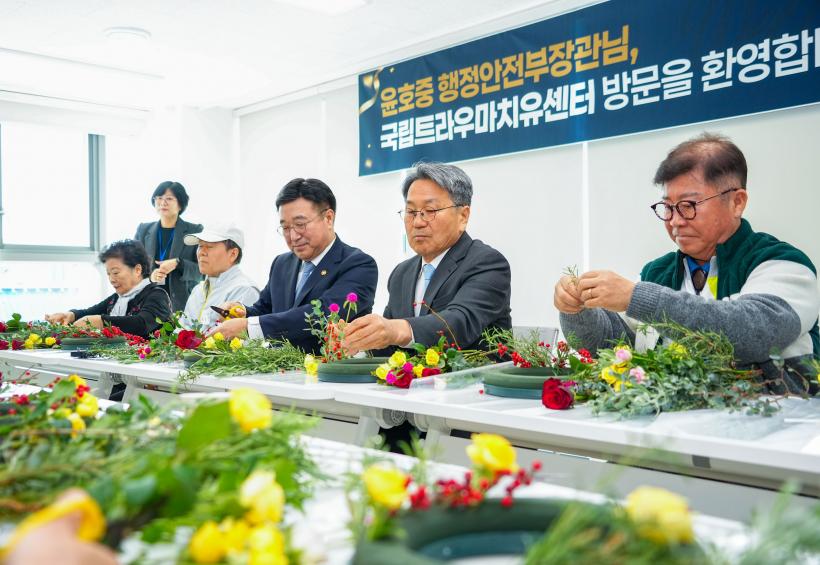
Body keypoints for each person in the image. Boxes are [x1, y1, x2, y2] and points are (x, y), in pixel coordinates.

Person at [554, 133, 819, 392]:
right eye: (668, 207)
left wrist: (638, 298)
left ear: (737, 202)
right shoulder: (657, 272)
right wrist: (577, 310)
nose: (675, 221)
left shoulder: (783, 264)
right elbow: (614, 346)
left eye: (689, 205)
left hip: (778, 418)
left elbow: (752, 333)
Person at [343, 162, 512, 353]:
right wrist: (357, 339)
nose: (417, 222)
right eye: (411, 211)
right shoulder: (402, 273)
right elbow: (389, 347)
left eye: (430, 211)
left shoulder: (488, 263)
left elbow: (459, 322)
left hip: (476, 372)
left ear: (463, 216)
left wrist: (396, 330)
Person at [209, 178, 377, 353]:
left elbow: (322, 314)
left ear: (328, 218)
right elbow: (265, 309)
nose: (293, 236)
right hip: (277, 366)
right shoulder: (282, 263)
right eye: (286, 228)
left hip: (330, 366)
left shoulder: (359, 265)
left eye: (300, 225)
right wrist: (242, 312)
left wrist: (249, 326)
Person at [45, 240, 172, 338]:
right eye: (108, 274)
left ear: (137, 270)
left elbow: (141, 324)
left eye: (115, 272)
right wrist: (70, 315)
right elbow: (90, 312)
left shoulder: (157, 295)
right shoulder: (117, 298)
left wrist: (102, 321)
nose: (111, 279)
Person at [134, 181, 203, 312]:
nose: (163, 203)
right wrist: (150, 277)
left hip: (183, 305)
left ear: (180, 204)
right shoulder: (143, 230)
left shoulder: (195, 231)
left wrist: (179, 263)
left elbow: (202, 272)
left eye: (169, 199)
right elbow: (132, 267)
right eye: (159, 198)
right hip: (148, 303)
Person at [181, 223, 259, 331]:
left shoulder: (244, 290)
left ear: (233, 254)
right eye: (200, 246)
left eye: (209, 247)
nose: (201, 252)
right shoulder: (197, 290)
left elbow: (239, 338)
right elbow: (181, 330)